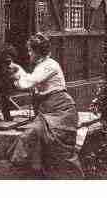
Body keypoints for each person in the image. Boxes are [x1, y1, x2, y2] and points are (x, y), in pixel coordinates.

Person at [8, 33, 84, 179]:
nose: (28, 53)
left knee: (60, 148)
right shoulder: (41, 66)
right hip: (47, 111)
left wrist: (16, 76)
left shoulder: (50, 66)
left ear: (37, 52)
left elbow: (28, 83)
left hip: (62, 111)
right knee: (31, 136)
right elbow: (31, 79)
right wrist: (18, 71)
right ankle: (29, 172)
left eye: (30, 50)